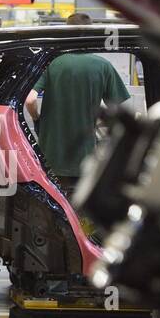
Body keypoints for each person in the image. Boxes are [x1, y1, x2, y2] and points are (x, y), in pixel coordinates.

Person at [25, 11, 130, 198]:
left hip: (51, 155)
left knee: (54, 206)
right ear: (90, 34)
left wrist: (38, 119)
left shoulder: (53, 63)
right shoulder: (102, 66)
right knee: (81, 211)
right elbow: (121, 111)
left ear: (67, 32)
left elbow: (30, 99)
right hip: (85, 155)